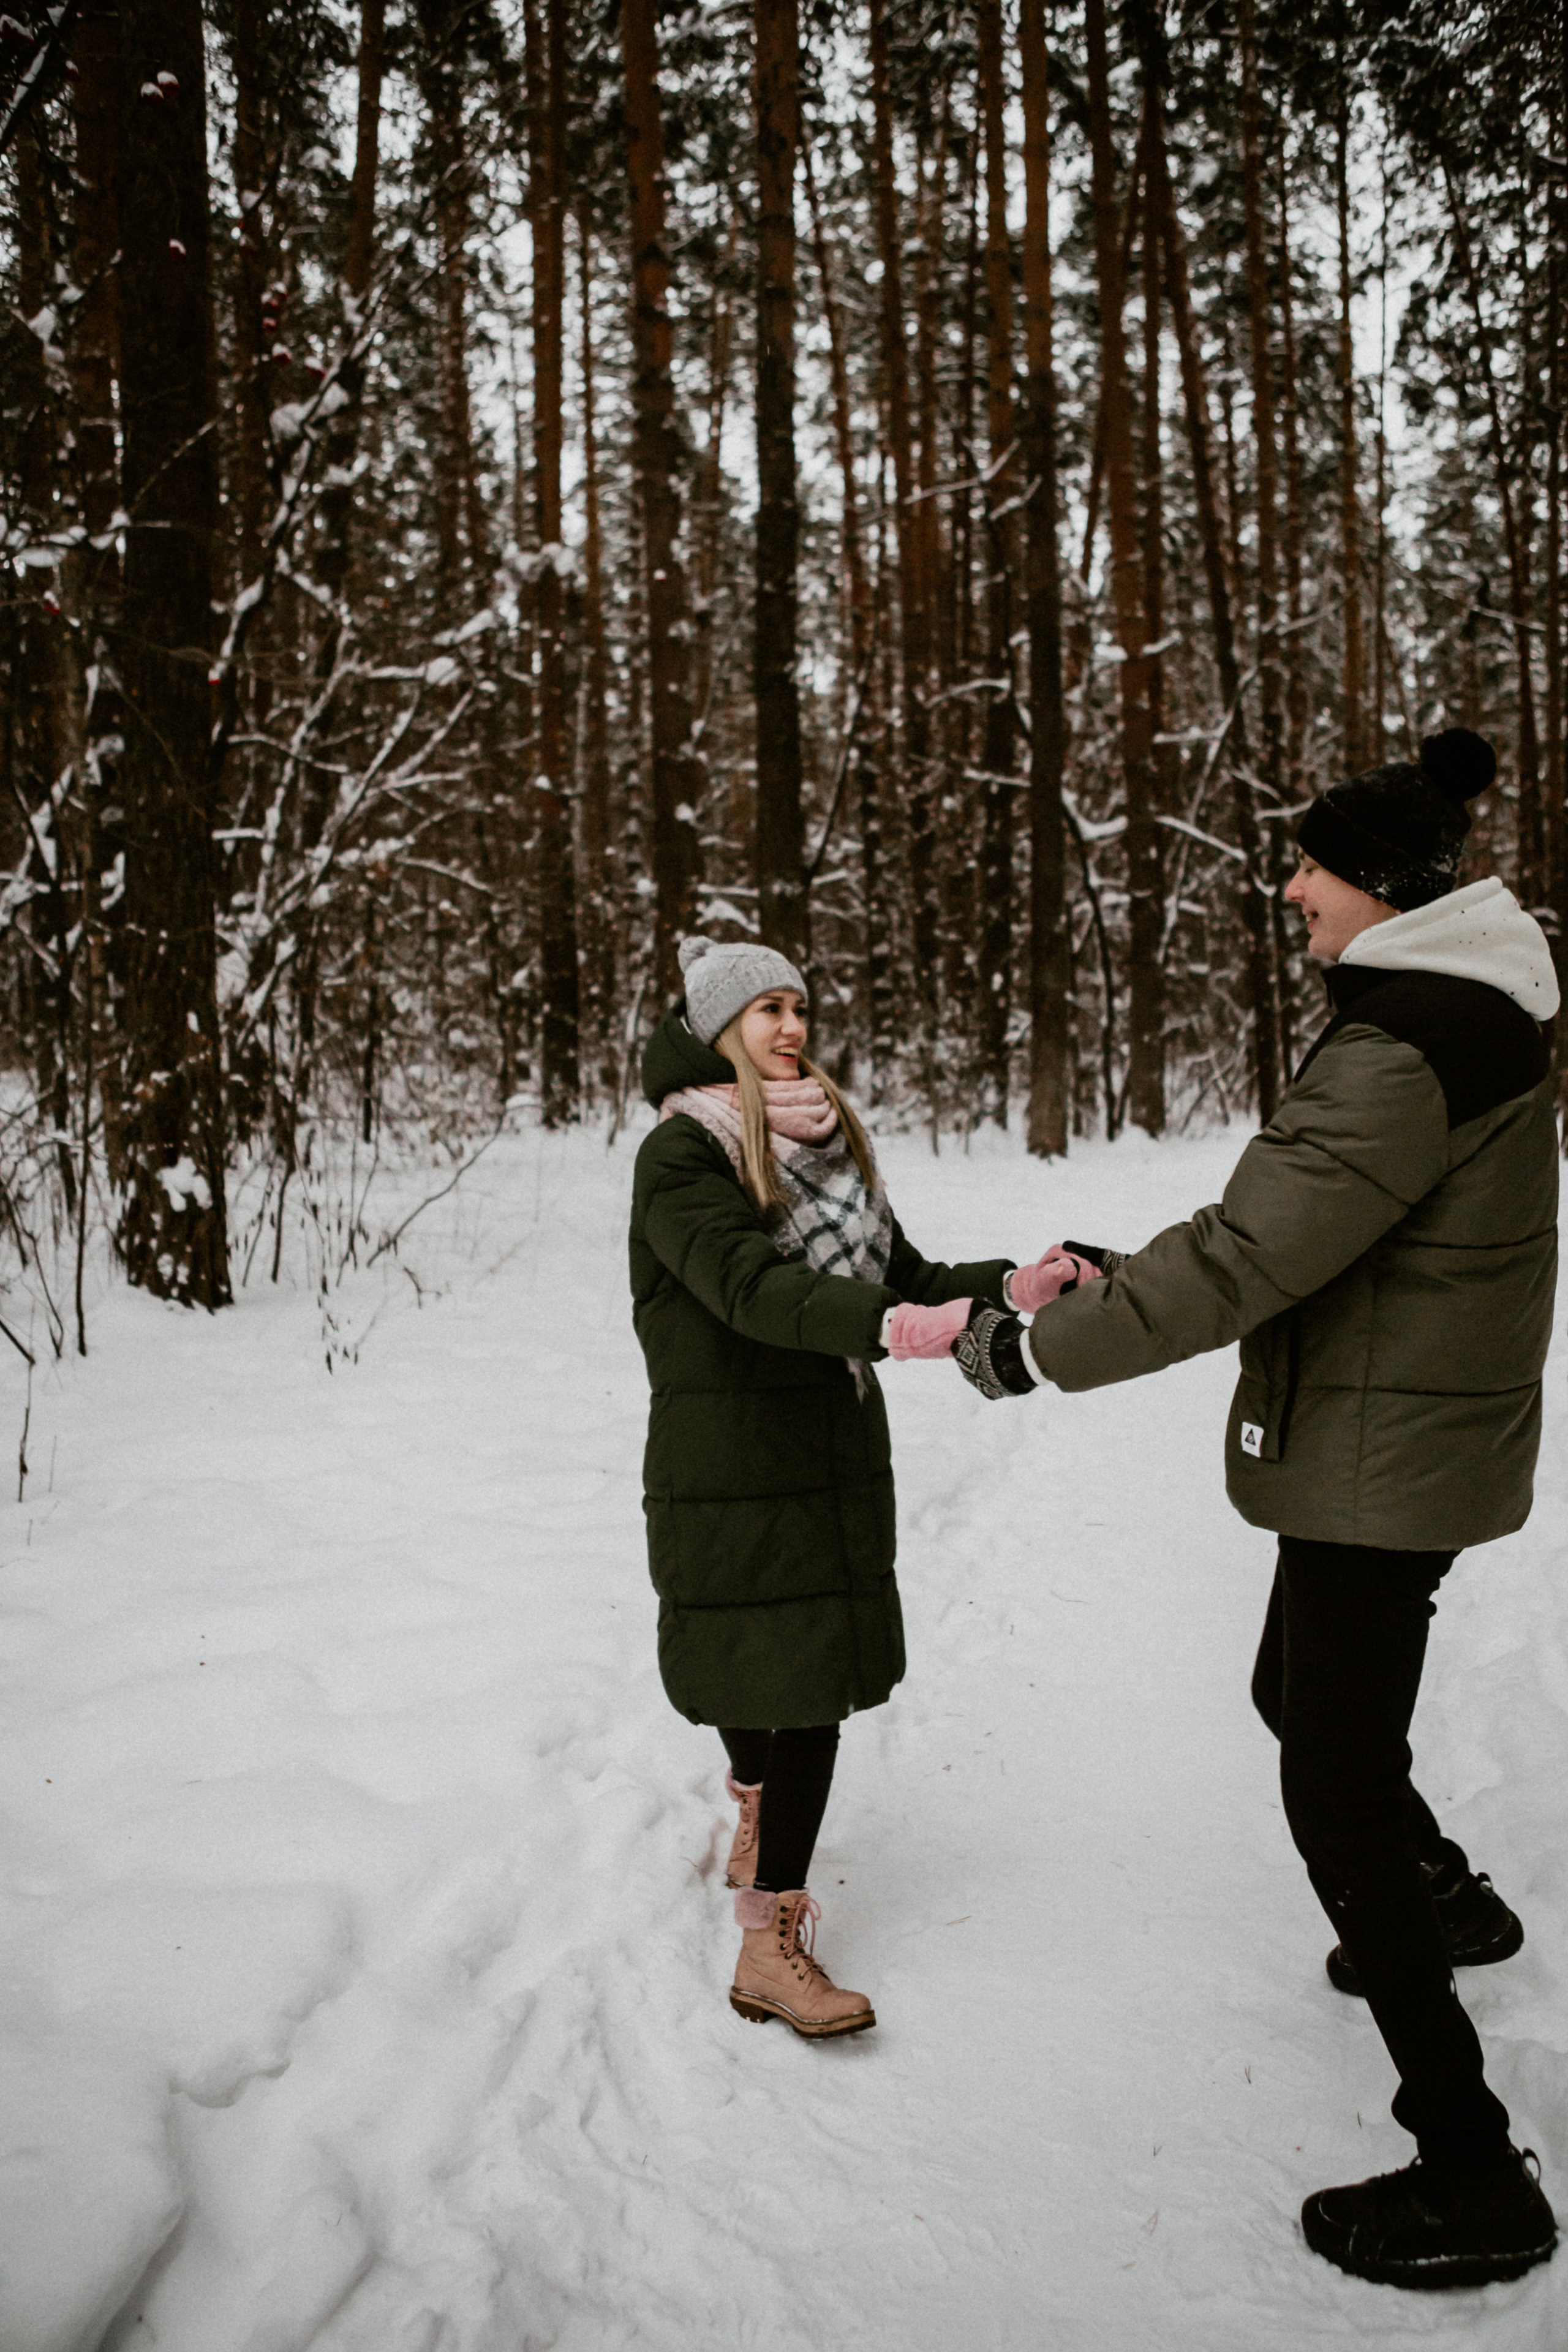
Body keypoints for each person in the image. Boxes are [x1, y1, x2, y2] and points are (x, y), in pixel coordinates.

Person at [951, 728, 1561, 2288]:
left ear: (1385, 889)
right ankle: (1442, 1905)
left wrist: (1033, 1350)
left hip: (1381, 1451)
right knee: (1295, 1694)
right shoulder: (1456, 1014)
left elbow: (1244, 1258)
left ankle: (1470, 2171)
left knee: (1329, 1780)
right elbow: (1291, 1228)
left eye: (1310, 867)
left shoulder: (1407, 1041)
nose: (1288, 888)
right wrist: (1122, 1275)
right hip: (1399, 1426)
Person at [630, 934, 1077, 2038]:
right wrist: (900, 1328)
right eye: (767, 1010)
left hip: (828, 1451)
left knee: (813, 1684)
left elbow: (903, 1276)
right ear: (716, 1029)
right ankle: (753, 1800)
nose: (792, 1028)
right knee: (747, 1672)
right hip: (728, 1456)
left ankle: (767, 1939)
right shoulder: (681, 1155)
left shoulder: (829, 1141)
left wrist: (1014, 1285)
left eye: (799, 1008)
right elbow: (750, 1288)